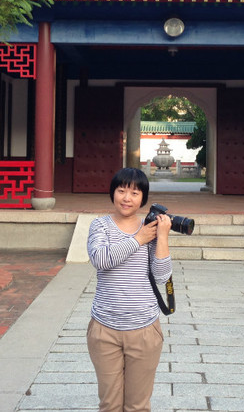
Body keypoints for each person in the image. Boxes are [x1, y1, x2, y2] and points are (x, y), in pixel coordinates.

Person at [86, 167, 173, 412]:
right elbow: (101, 259)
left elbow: (162, 276)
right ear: (112, 193)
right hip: (105, 329)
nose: (127, 198)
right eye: (121, 190)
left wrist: (162, 236)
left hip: (144, 329)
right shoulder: (100, 226)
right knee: (110, 404)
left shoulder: (151, 229)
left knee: (137, 406)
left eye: (134, 193)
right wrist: (139, 238)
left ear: (143, 199)